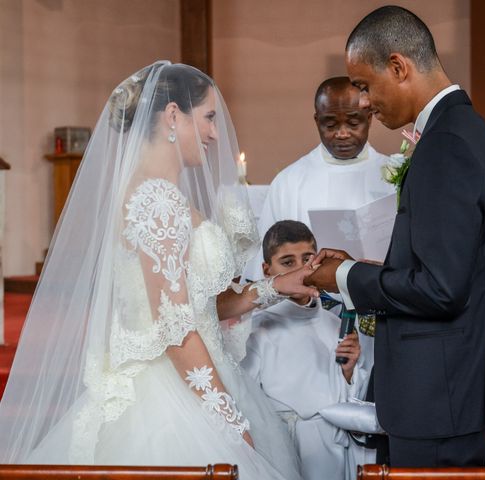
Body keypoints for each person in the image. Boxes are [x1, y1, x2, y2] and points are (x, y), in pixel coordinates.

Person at [0, 62, 317, 479]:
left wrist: (275, 286)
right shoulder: (157, 201)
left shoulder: (159, 193)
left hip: (194, 371)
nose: (214, 134)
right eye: (208, 118)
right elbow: (176, 325)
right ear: (172, 115)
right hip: (169, 394)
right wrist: (228, 418)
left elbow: (201, 306)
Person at [306, 6, 485, 468]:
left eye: (363, 85)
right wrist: (366, 268)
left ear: (398, 67)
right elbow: (454, 270)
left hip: (440, 395)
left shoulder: (447, 144)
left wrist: (346, 276)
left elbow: (440, 290)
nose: (363, 102)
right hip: (454, 386)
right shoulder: (465, 130)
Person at [241, 220, 369, 480]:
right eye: (288, 262)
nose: (301, 270)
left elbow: (350, 401)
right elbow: (248, 399)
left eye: (308, 258)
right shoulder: (258, 328)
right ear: (267, 270)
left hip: (335, 448)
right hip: (289, 448)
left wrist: (349, 371)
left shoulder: (336, 324)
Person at [243, 76, 394, 282]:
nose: (342, 133)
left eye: (353, 122)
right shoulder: (289, 182)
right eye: (330, 124)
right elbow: (266, 262)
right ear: (317, 120)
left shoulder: (393, 175)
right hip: (308, 308)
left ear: (369, 118)